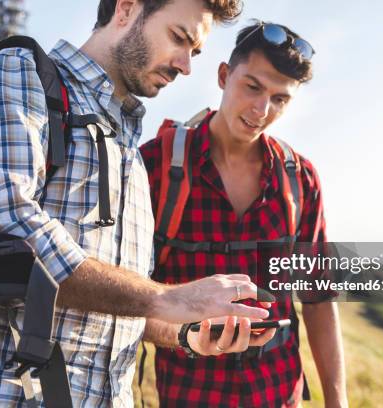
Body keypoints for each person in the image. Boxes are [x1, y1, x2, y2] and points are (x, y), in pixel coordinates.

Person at [0, 1, 278, 407]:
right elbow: (2, 230)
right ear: (127, 9)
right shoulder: (17, 73)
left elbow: (114, 302)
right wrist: (169, 298)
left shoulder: (130, 148)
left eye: (194, 52)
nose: (185, 66)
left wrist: (186, 331)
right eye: (179, 39)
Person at [140, 21, 348, 407]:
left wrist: (338, 402)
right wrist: (186, 331)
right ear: (223, 75)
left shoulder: (300, 180)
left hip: (279, 393)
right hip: (190, 395)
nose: (261, 110)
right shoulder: (156, 165)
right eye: (252, 86)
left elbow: (318, 298)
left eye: (280, 99)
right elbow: (130, 299)